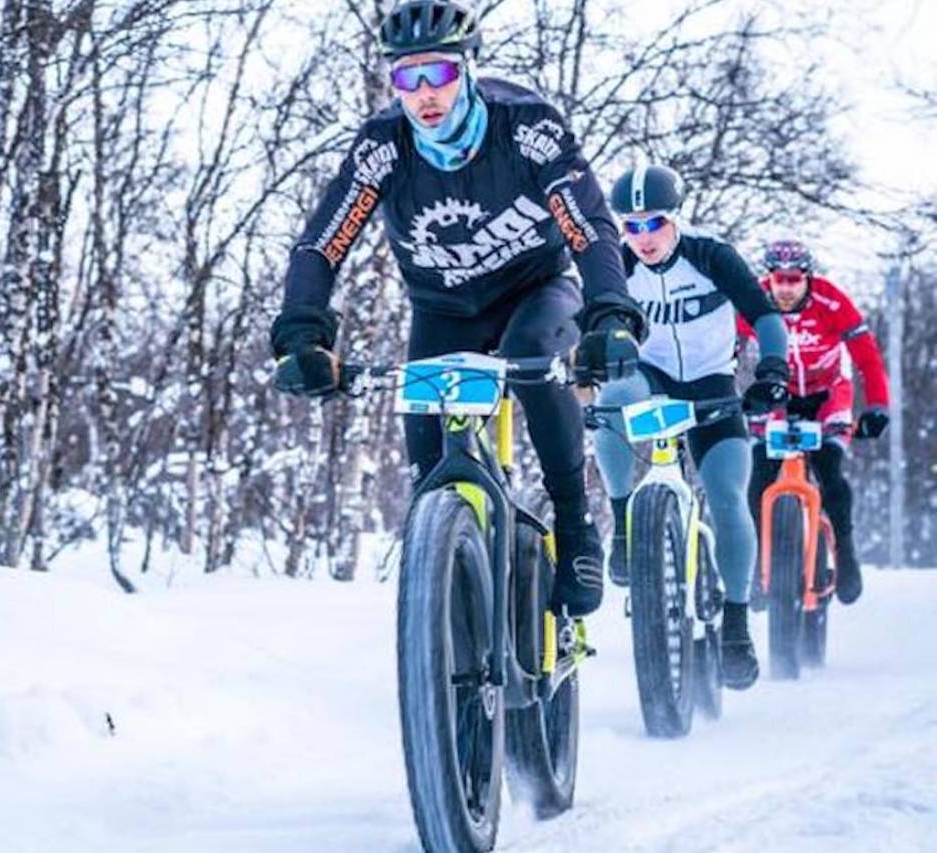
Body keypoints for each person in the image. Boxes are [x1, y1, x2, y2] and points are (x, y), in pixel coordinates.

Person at [268, 0, 645, 616]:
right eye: (406, 78)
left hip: (536, 291)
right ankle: (450, 622)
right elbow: (321, 242)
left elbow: (592, 227)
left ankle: (576, 526)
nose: (423, 95)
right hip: (443, 308)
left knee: (532, 357)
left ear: (468, 70)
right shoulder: (383, 147)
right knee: (430, 477)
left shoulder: (525, 125)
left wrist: (609, 313)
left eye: (438, 74)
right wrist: (303, 333)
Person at [592, 164, 789, 690]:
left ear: (674, 217)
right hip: (651, 377)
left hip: (710, 381)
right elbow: (586, 316)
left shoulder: (710, 254)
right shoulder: (619, 264)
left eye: (652, 223)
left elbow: (765, 315)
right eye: (630, 226)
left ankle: (737, 623)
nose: (643, 237)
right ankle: (624, 524)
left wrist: (772, 368)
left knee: (727, 494)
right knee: (610, 402)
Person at [738, 239, 891, 605]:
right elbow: (728, 349)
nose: (786, 288)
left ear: (807, 278)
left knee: (830, 471)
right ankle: (759, 561)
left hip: (827, 395)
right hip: (778, 395)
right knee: (760, 473)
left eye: (794, 280)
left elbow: (867, 358)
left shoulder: (832, 301)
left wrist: (878, 407)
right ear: (769, 278)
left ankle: (847, 552)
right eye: (779, 279)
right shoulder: (753, 302)